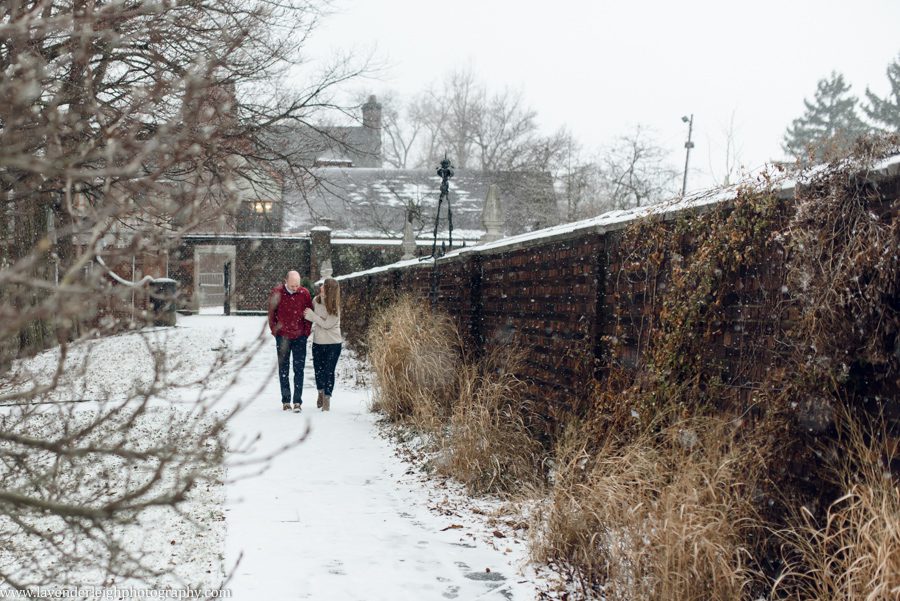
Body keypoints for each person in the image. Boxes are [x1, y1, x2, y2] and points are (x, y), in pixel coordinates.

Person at [267, 270, 313, 412]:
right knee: (283, 369)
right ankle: (286, 400)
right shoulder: (277, 292)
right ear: (285, 281)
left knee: (299, 369)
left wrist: (305, 332)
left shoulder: (304, 293)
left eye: (297, 285)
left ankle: (297, 401)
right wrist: (276, 331)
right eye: (292, 285)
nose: (295, 288)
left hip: (300, 337)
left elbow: (309, 312)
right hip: (283, 337)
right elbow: (271, 314)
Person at [304, 277, 342, 412]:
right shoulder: (316, 301)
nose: (321, 287)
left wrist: (313, 316)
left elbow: (327, 324)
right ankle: (320, 392)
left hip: (333, 343)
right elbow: (314, 318)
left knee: (328, 371)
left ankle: (327, 398)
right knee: (318, 371)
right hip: (318, 342)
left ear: (329, 290)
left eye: (324, 286)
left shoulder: (335, 307)